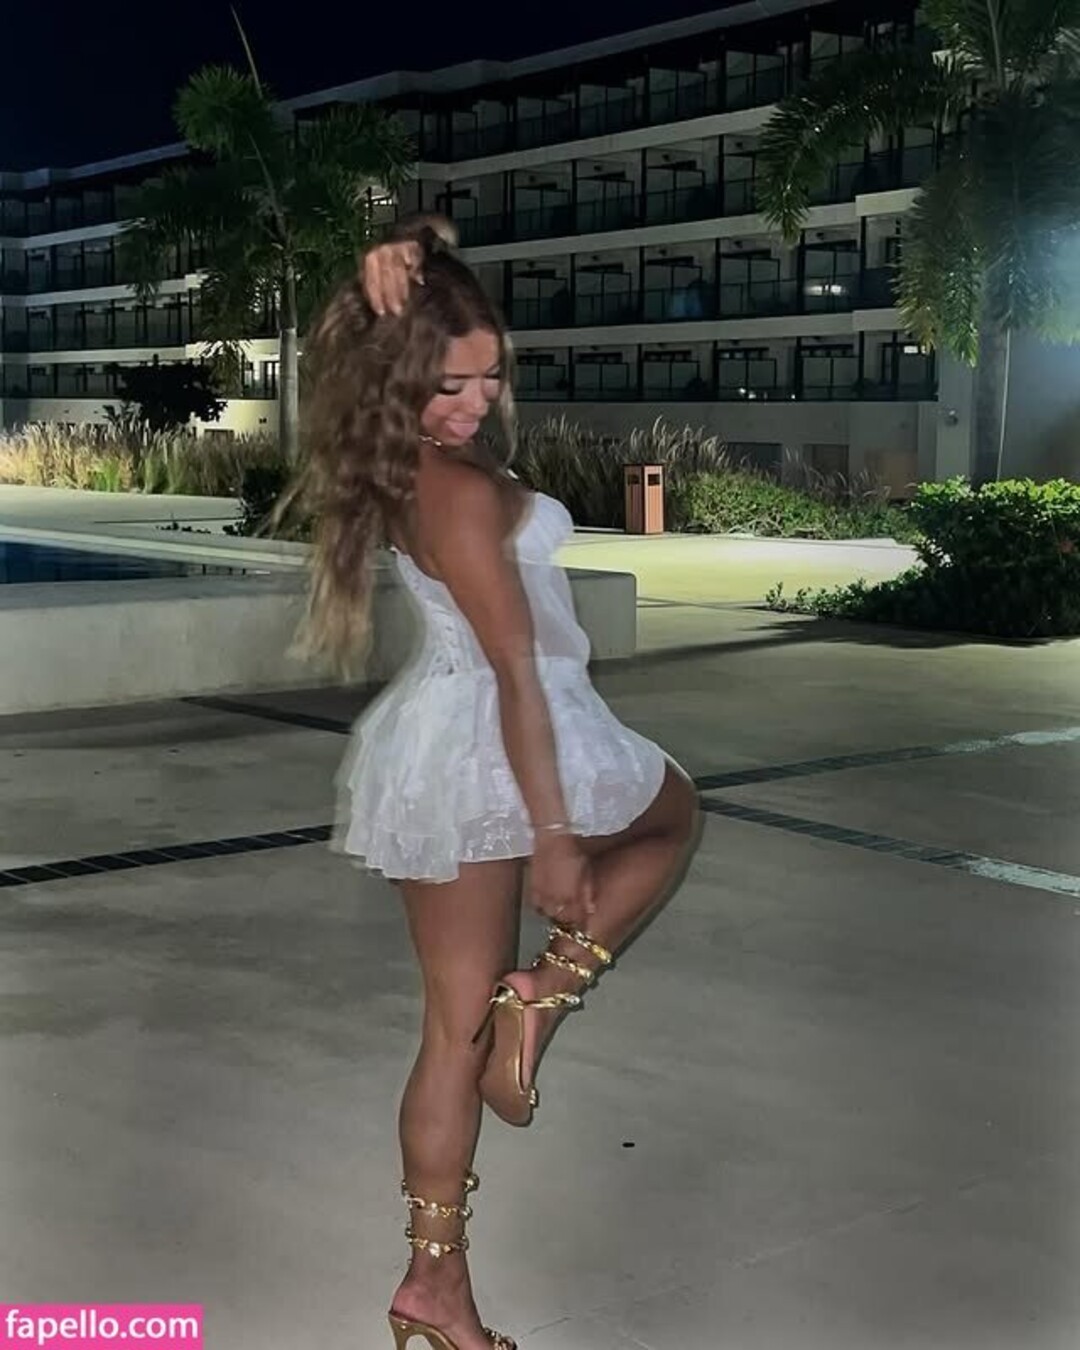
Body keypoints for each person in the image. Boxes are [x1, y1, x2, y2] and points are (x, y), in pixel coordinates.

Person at [297, 215, 700, 1350]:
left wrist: (403, 244)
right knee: (670, 813)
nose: (475, 402)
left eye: (488, 377)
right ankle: (546, 993)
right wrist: (555, 833)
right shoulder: (458, 492)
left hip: (442, 741)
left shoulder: (401, 462)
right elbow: (517, 670)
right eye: (449, 386)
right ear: (401, 380)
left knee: (450, 1033)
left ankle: (432, 1286)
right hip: (502, 726)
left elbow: (418, 265)